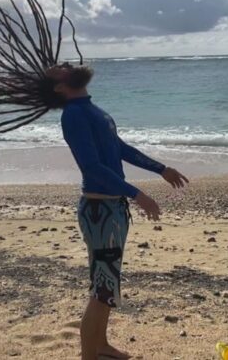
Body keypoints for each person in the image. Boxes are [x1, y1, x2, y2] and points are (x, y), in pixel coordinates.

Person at [46, 63, 189, 360]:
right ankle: (89, 355)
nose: (66, 64)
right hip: (100, 211)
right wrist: (137, 194)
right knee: (102, 288)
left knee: (108, 282)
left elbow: (120, 148)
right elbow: (92, 167)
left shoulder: (91, 110)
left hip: (112, 208)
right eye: (59, 69)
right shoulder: (73, 115)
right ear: (59, 87)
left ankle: (100, 345)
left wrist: (161, 169)